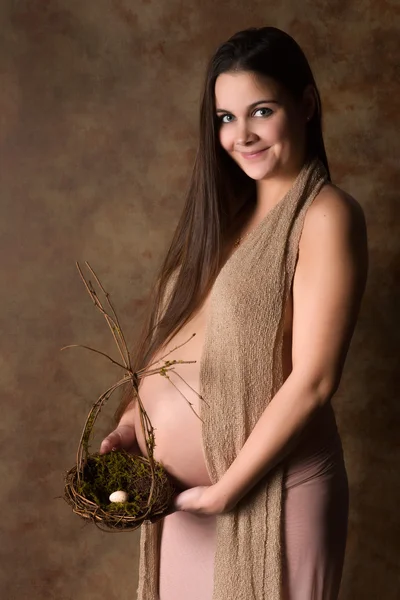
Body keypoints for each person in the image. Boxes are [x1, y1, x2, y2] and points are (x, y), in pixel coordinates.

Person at [100, 26, 368, 600]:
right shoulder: (224, 218)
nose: (240, 134)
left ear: (306, 104)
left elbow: (316, 380)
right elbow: (177, 342)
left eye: (260, 111)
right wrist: (131, 424)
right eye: (225, 118)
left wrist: (227, 491)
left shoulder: (325, 216)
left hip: (273, 494)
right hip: (182, 505)